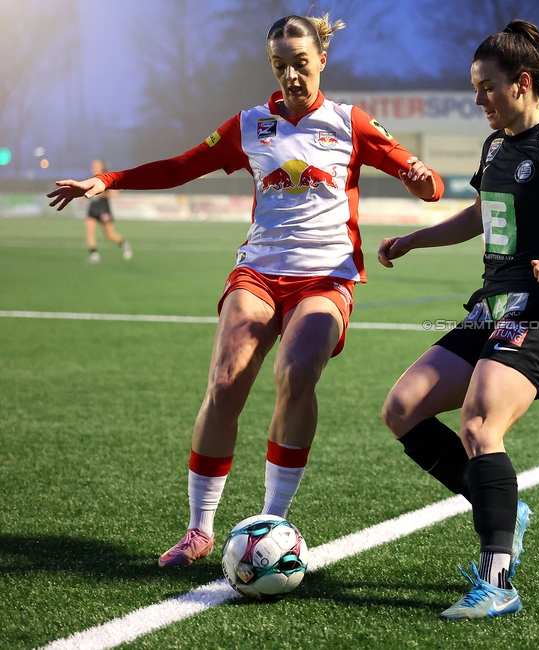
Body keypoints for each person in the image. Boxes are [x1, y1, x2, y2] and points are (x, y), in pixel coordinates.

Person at [48, 14, 443, 566]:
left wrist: (424, 181)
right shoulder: (250, 124)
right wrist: (108, 180)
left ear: (321, 60)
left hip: (326, 277)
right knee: (226, 384)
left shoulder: (351, 123)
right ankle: (199, 529)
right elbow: (181, 167)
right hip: (257, 271)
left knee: (296, 375)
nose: (291, 76)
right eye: (280, 65)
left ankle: (274, 521)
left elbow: (425, 182)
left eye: (300, 64)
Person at [376, 20, 539, 620]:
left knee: (479, 422)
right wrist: (414, 239)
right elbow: (478, 215)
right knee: (402, 408)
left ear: (522, 84)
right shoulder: (494, 148)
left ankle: (497, 582)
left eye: (487, 88)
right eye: (474, 88)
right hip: (490, 307)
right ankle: (501, 504)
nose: (478, 100)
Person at [85, 159, 133, 264]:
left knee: (109, 234)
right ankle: (94, 255)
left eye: (96, 165)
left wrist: (101, 194)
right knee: (90, 232)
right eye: (93, 164)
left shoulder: (106, 178)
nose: (94, 166)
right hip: (93, 208)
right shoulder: (90, 179)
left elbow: (115, 193)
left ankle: (124, 244)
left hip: (104, 209)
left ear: (102, 167)